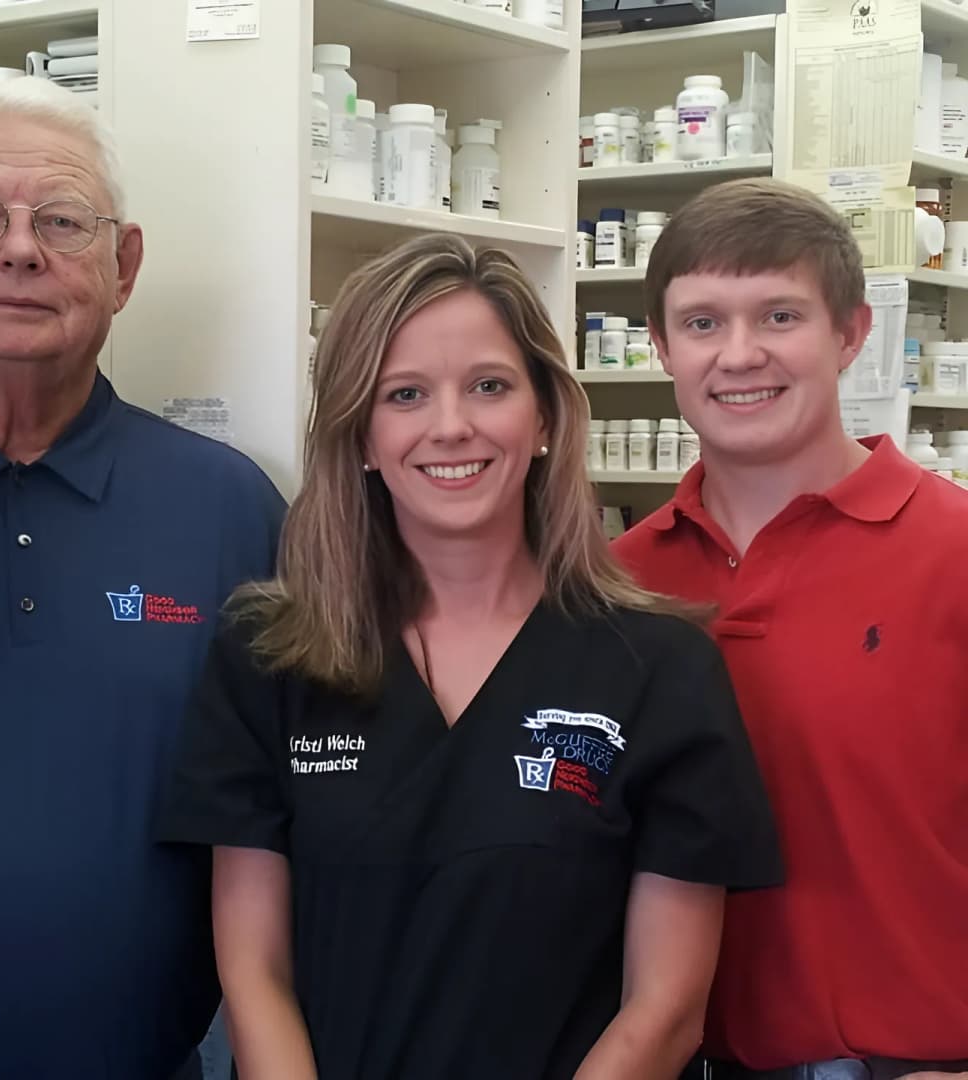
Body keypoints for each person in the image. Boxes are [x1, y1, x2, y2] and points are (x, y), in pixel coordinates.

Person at [158, 232, 782, 1080]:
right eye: (404, 394)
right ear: (363, 437)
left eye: (489, 386)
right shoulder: (270, 658)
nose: (450, 427)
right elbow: (255, 975)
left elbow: (664, 1010)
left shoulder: (659, 669)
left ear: (545, 420)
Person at [0, 78, 284, 1079]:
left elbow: (300, 818)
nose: (21, 249)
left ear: (124, 267)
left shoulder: (233, 510)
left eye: (63, 221)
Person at [612, 177, 968, 1080]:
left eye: (779, 316)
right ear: (660, 347)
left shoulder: (954, 552)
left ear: (851, 333)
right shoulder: (619, 585)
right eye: (702, 323)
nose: (739, 356)